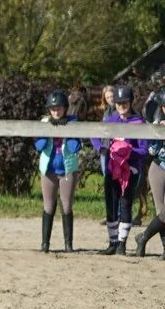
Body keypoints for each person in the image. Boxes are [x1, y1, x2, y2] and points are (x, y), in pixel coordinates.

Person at [90, 85, 148, 255]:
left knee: (125, 203)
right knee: (111, 204)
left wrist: (128, 152)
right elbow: (94, 133)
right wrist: (101, 148)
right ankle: (112, 242)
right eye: (119, 102)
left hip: (130, 170)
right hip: (111, 168)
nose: (122, 105)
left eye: (125, 102)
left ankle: (122, 243)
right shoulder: (111, 120)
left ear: (130, 102)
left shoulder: (139, 122)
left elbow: (144, 150)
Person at [35, 90, 80, 253]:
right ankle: (45, 243)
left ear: (65, 108)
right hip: (49, 169)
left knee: (66, 205)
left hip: (68, 168)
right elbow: (38, 145)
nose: (56, 111)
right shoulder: (44, 122)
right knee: (48, 204)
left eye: (59, 108)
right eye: (53, 109)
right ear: (49, 110)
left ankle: (68, 244)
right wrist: (48, 131)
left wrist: (68, 129)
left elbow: (75, 146)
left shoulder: (73, 122)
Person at [134, 87, 165, 258]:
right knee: (162, 213)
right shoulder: (157, 124)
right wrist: (158, 133)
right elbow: (151, 151)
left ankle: (143, 237)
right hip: (159, 168)